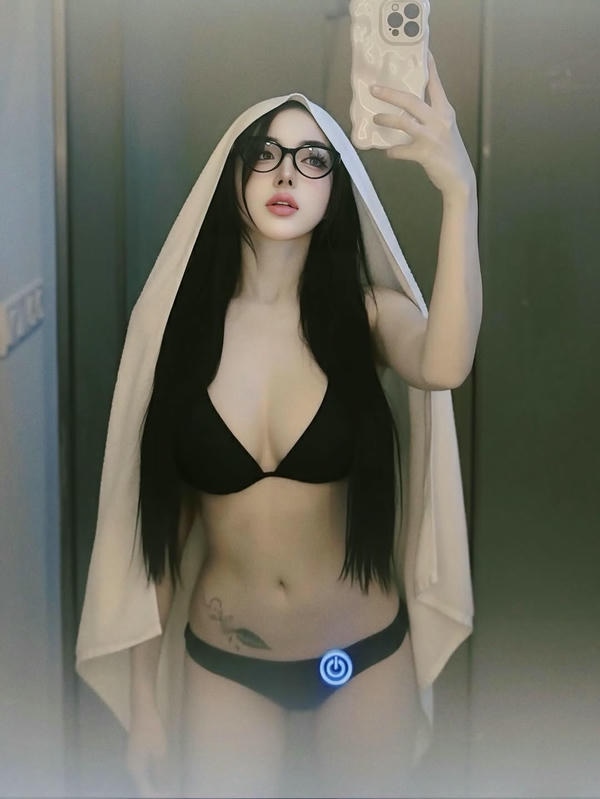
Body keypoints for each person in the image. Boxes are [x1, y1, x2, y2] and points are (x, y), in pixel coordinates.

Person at [76, 53, 480, 798]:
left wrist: (459, 191)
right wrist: (143, 707)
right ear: (232, 176)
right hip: (227, 662)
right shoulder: (179, 333)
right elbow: (158, 533)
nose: (286, 173)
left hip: (359, 657)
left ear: (337, 188)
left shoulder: (367, 317)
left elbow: (445, 362)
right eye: (265, 154)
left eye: (312, 159)